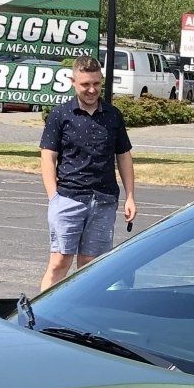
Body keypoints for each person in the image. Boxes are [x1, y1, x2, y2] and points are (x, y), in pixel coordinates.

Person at [39, 55, 136, 290]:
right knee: (60, 262)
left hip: (103, 200)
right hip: (68, 199)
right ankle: (41, 316)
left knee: (91, 266)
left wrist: (130, 196)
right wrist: (54, 198)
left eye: (96, 84)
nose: (92, 90)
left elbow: (123, 155)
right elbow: (48, 157)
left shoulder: (113, 115)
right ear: (73, 82)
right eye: (85, 84)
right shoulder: (61, 115)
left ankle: (80, 318)